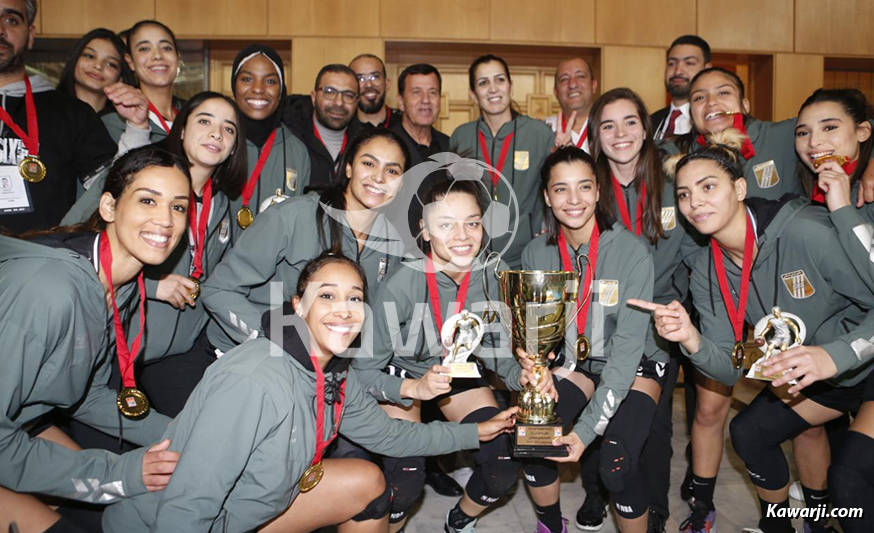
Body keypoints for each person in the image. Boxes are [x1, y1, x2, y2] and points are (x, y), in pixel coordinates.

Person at [102, 252, 519, 532]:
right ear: (298, 306)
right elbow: (188, 507)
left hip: (257, 505)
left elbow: (390, 434)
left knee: (368, 483)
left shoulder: (332, 371)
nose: (344, 309)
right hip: (176, 523)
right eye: (327, 296)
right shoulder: (255, 379)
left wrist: (473, 434)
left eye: (354, 297)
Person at [633, 132, 874, 533]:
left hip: (862, 365)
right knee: (748, 433)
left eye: (709, 187)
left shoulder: (805, 231)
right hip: (823, 373)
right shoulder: (708, 269)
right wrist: (691, 337)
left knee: (849, 483)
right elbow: (727, 372)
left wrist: (836, 354)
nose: (695, 203)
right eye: (686, 195)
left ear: (740, 188)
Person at [0, 146, 191, 533]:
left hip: (22, 422)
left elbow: (85, 393)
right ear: (107, 207)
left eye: (178, 207)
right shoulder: (50, 292)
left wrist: (183, 434)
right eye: (148, 200)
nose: (165, 220)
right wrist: (121, 471)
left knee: (129, 509)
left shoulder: (121, 284)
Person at [351, 177, 554, 533]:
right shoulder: (400, 285)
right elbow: (363, 372)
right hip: (403, 376)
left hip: (457, 370)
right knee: (406, 481)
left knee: (502, 466)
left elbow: (495, 352)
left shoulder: (494, 275)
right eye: (446, 224)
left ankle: (460, 518)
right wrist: (414, 389)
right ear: (425, 231)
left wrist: (518, 375)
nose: (462, 235)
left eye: (472, 222)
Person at [515, 147, 655, 533]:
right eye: (561, 189)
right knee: (534, 438)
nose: (573, 200)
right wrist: (533, 368)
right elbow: (533, 332)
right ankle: (550, 526)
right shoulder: (536, 252)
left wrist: (586, 428)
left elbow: (626, 353)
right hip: (575, 363)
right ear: (546, 196)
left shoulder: (632, 252)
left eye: (584, 187)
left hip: (633, 363)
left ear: (598, 192)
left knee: (616, 462)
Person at [584, 87, 705, 532]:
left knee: (653, 426)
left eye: (630, 121)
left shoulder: (674, 180)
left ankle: (655, 509)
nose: (620, 134)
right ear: (596, 135)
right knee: (601, 406)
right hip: (603, 322)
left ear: (646, 127)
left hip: (660, 324)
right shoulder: (588, 186)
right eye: (608, 125)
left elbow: (698, 251)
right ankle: (597, 495)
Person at [202, 128, 410, 354]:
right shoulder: (292, 217)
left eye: (392, 170)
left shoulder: (393, 243)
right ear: (348, 168)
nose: (379, 177)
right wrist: (273, 340)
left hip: (326, 362)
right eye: (368, 164)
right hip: (251, 353)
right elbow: (218, 290)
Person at [667, 67, 874, 202]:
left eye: (723, 92)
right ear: (691, 116)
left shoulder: (784, 135)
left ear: (745, 105)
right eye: (699, 97)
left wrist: (872, 163)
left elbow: (856, 123)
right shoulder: (680, 154)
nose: (711, 102)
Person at [0, 0, 118, 233]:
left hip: (42, 262)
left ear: (31, 35)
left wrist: (65, 239)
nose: (0, 29)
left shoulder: (73, 113)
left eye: (11, 20)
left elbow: (112, 189)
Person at [449, 54, 554, 268]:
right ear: (473, 94)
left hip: (527, 258)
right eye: (483, 82)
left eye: (500, 80)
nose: (493, 88)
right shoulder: (461, 136)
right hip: (474, 258)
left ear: (510, 86)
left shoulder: (539, 134)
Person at [228, 44, 312, 244]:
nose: (258, 89)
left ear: (281, 90)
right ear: (234, 85)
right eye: (247, 79)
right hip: (217, 271)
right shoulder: (218, 143)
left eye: (270, 81)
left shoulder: (297, 151)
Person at [794, 88, 874, 290]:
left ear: (862, 132)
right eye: (803, 133)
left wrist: (843, 209)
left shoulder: (870, 189)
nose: (813, 142)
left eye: (829, 127)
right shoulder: (802, 190)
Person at [389, 63, 451, 239]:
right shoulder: (385, 145)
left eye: (432, 92)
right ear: (400, 102)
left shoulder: (450, 146)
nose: (426, 100)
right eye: (416, 92)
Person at [101, 20, 185, 146]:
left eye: (166, 48)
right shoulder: (114, 121)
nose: (157, 55)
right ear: (130, 62)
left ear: (177, 57)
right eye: (144, 49)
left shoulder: (193, 114)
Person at [283, 63, 362, 191]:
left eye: (348, 95)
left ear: (357, 102)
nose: (339, 102)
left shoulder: (364, 144)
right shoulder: (288, 136)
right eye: (329, 92)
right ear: (314, 97)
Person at [56, 28, 135, 115]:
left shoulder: (127, 122)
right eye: (89, 56)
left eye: (110, 64)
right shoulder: (46, 110)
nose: (98, 66)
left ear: (120, 78)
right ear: (75, 60)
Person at [652, 35, 712, 142]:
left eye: (689, 63)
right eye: (672, 63)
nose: (678, 71)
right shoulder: (650, 121)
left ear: (707, 70)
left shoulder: (714, 120)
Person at [545, 57, 598, 153]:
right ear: (555, 92)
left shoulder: (608, 126)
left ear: (594, 85)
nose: (572, 84)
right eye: (564, 79)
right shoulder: (544, 130)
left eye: (580, 76)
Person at [350, 53, 399, 128]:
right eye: (360, 79)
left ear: (387, 84)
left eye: (375, 77)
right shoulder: (343, 127)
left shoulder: (404, 123)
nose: (369, 85)